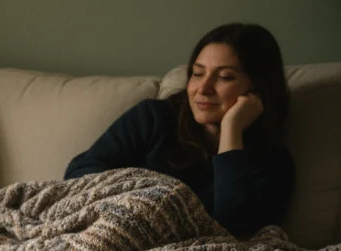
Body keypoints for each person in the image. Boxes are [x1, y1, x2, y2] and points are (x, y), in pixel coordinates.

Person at [65, 23, 293, 238]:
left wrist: (231, 131)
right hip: (116, 234)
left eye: (224, 77)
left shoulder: (274, 163)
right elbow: (80, 172)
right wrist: (147, 204)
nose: (203, 88)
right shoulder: (154, 118)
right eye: (197, 73)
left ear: (257, 89)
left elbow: (234, 231)